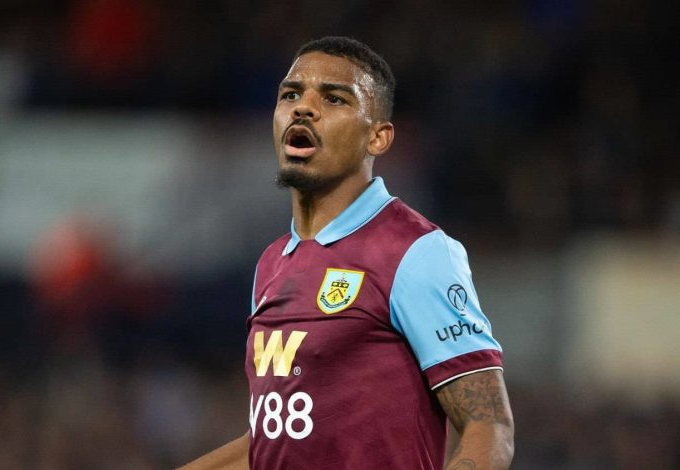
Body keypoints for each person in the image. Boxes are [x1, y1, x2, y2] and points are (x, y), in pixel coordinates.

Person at [180, 36, 514, 470]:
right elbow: (271, 443)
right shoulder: (272, 263)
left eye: (334, 98)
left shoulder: (414, 251)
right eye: (291, 94)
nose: (303, 107)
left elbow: (488, 427)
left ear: (378, 137)